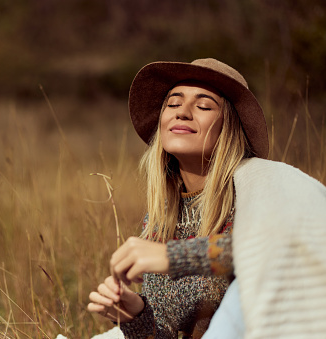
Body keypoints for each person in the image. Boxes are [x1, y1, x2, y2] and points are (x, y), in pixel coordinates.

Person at [87, 58, 326, 338]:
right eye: (173, 104)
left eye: (203, 106)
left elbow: (285, 245)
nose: (183, 113)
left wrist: (174, 256)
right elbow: (165, 333)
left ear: (230, 126)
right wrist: (135, 313)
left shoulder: (260, 182)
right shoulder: (160, 220)